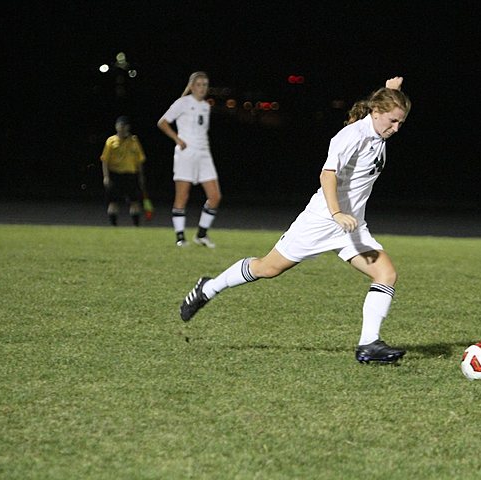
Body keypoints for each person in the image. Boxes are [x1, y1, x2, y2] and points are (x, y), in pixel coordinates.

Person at [178, 76, 412, 364]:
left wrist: (393, 91)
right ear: (375, 113)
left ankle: (368, 345)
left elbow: (385, 107)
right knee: (268, 268)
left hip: (351, 227)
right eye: (392, 121)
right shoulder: (352, 136)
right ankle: (208, 288)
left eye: (400, 122)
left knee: (386, 274)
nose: (396, 128)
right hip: (322, 221)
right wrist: (337, 213)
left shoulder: (378, 128)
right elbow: (328, 174)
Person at [157, 71, 221, 248]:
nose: (202, 88)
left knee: (215, 196)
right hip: (186, 154)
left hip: (204, 154)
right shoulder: (182, 103)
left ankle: (201, 235)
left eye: (205, 85)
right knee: (182, 196)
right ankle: (180, 237)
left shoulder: (206, 106)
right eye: (199, 84)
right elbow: (162, 122)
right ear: (192, 86)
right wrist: (178, 139)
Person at [100, 116, 147, 226]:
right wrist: (106, 177)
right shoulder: (111, 141)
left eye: (123, 126)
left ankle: (136, 226)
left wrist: (141, 177)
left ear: (127, 127)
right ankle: (114, 226)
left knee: (134, 202)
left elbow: (140, 160)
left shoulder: (134, 141)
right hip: (115, 175)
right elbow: (105, 160)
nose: (120, 128)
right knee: (113, 202)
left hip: (131, 175)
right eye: (119, 126)